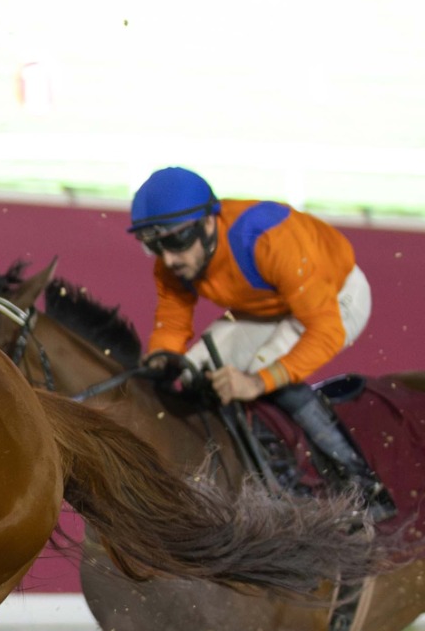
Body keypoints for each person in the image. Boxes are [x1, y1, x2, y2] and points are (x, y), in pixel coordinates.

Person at [127, 165, 393, 517]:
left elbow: (324, 331)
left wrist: (257, 382)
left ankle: (363, 487)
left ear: (209, 222)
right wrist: (163, 355)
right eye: (155, 246)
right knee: (193, 372)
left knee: (263, 371)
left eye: (176, 241)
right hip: (270, 304)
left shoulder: (269, 240)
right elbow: (174, 317)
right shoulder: (173, 260)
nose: (169, 258)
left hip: (336, 300)